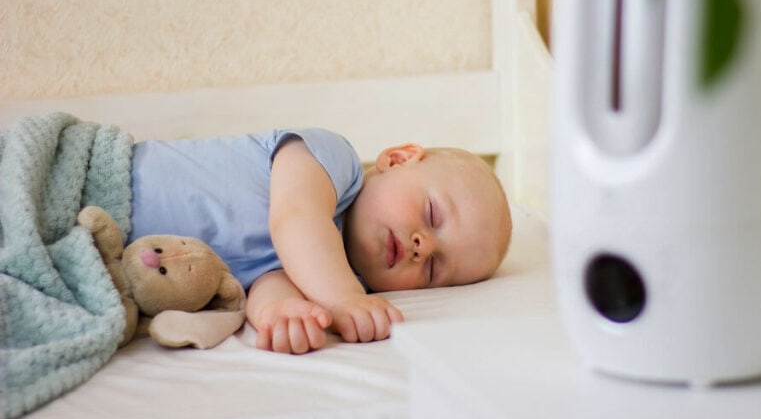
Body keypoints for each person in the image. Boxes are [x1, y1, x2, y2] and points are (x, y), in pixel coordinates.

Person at [128, 129, 513, 354]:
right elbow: (296, 219)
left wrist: (284, 313)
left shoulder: (333, 278)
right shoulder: (332, 159)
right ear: (397, 159)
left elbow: (268, 280)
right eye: (432, 215)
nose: (422, 246)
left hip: (114, 257)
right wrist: (343, 300)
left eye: (433, 268)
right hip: (108, 182)